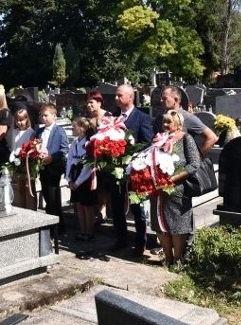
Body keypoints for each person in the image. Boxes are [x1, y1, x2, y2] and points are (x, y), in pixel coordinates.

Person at [151, 110, 201, 266]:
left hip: (177, 189)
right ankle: (168, 258)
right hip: (158, 190)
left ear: (178, 124)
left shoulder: (186, 139)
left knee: (177, 226)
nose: (164, 125)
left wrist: (172, 179)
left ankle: (178, 259)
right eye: (163, 122)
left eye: (168, 122)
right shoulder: (158, 139)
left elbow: (194, 164)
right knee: (160, 225)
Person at [110, 83, 153, 256]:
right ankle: (121, 239)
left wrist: (131, 156)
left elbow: (148, 143)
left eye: (119, 95)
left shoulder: (142, 118)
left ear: (130, 97)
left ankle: (140, 243)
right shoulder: (113, 116)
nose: (116, 98)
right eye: (115, 95)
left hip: (135, 170)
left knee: (137, 209)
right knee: (117, 207)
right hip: (116, 170)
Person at [35, 104, 69, 234]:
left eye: (46, 115)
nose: (43, 118)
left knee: (53, 196)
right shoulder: (39, 131)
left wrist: (52, 157)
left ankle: (58, 227)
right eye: (41, 115)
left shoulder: (59, 131)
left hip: (54, 168)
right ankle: (51, 224)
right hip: (43, 167)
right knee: (46, 195)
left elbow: (64, 148)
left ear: (54, 116)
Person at [153, 85, 217, 154]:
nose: (161, 101)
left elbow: (212, 137)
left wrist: (197, 157)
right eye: (161, 98)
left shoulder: (187, 117)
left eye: (164, 98)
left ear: (176, 100)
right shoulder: (160, 118)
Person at [66, 117, 96, 241]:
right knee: (79, 206)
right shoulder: (75, 143)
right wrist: (68, 179)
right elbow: (69, 160)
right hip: (75, 176)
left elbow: (88, 166)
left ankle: (89, 232)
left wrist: (78, 182)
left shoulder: (88, 143)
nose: (72, 129)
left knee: (86, 207)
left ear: (82, 129)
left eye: (74, 127)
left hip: (85, 179)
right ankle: (82, 230)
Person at [86, 91, 111, 225]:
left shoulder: (108, 117)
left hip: (107, 158)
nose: (89, 105)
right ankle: (101, 214)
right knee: (98, 188)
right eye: (88, 103)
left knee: (107, 187)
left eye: (92, 102)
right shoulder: (89, 119)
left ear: (99, 103)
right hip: (94, 159)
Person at [10, 109, 37, 210]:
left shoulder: (31, 132)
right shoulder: (14, 132)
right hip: (17, 162)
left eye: (22, 120)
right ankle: (23, 208)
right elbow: (14, 146)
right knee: (20, 187)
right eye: (17, 120)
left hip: (28, 162)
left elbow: (31, 148)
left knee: (29, 187)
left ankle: (33, 209)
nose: (19, 123)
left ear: (27, 119)